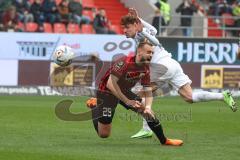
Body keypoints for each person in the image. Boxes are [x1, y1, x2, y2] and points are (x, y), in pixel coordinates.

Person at [120, 8, 237, 139]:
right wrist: (140, 20)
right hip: (172, 64)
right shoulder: (141, 32)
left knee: (139, 92)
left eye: (127, 27)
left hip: (163, 66)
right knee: (189, 97)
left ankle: (147, 128)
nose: (124, 31)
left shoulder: (140, 35)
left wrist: (141, 29)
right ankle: (222, 96)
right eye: (123, 28)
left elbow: (155, 41)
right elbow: (154, 30)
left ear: (135, 26)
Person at [89, 41, 183, 146]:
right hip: (107, 92)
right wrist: (127, 101)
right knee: (104, 134)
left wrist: (147, 107)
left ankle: (164, 141)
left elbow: (148, 90)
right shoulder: (124, 62)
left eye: (152, 53)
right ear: (139, 52)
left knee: (148, 113)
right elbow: (110, 84)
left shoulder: (145, 68)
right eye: (148, 52)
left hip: (124, 91)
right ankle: (94, 106)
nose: (151, 55)